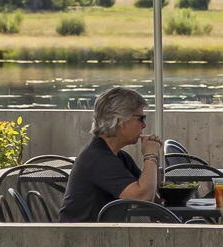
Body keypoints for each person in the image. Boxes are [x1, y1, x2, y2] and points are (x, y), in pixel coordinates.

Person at [60, 86, 160, 222]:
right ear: (120, 121)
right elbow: (142, 197)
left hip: (103, 237)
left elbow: (153, 195)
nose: (144, 126)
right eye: (141, 118)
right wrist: (150, 156)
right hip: (83, 239)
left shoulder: (120, 157)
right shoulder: (98, 158)